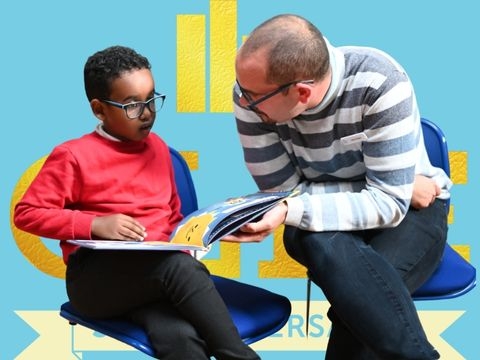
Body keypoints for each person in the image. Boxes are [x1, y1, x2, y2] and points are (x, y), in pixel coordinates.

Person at [225, 14, 452, 359]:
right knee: (327, 250)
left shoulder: (379, 81)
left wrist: (294, 207)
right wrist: (393, 188)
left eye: (252, 98)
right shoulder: (253, 97)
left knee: (359, 306)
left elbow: (388, 207)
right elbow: (282, 194)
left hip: (411, 213)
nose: (243, 102)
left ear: (302, 92)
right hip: (359, 214)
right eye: (242, 90)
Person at [14, 45, 259, 360]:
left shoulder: (158, 147)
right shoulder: (73, 155)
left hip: (155, 279)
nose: (146, 112)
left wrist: (203, 231)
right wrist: (95, 224)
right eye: (131, 105)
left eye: (152, 99)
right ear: (99, 110)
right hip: (97, 283)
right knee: (180, 267)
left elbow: (171, 214)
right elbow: (27, 214)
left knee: (180, 338)